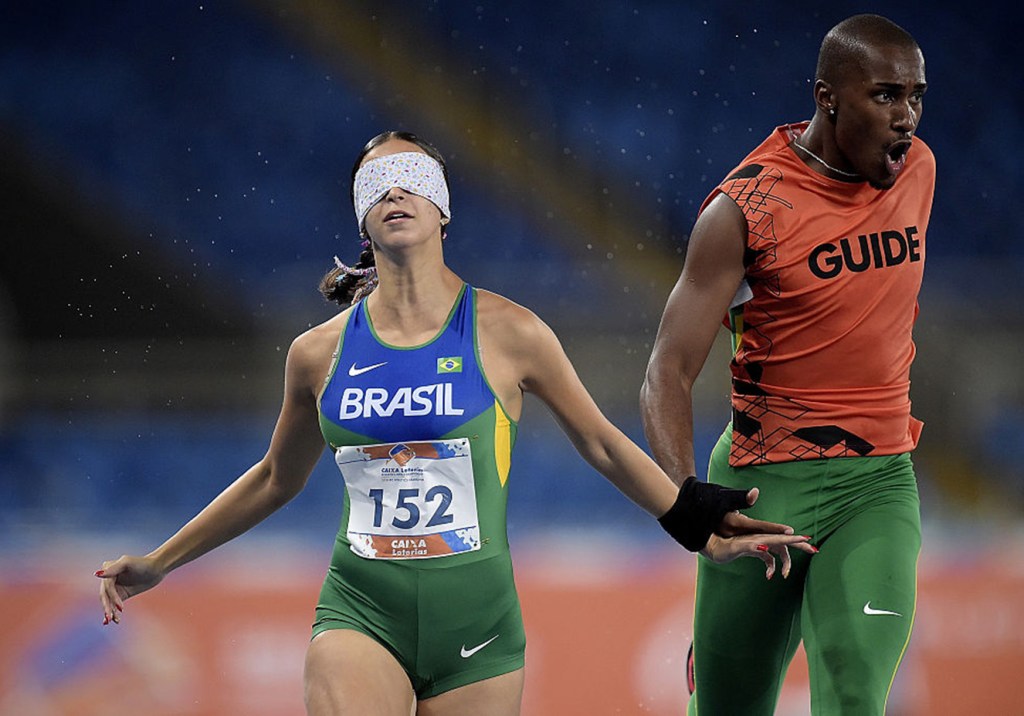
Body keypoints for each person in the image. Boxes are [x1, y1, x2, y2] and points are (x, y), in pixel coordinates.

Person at [96, 130, 814, 716]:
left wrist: (694, 520)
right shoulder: (316, 355)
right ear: (360, 217)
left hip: (480, 634)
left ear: (444, 210)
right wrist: (158, 563)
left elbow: (599, 440)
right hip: (360, 613)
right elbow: (273, 479)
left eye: (412, 175)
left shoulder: (512, 333)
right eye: (375, 183)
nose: (394, 190)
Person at [640, 14, 932, 716]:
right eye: (886, 96)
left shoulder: (917, 171)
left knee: (857, 693)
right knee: (728, 707)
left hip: (878, 484)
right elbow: (667, 372)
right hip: (762, 489)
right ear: (829, 96)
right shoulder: (743, 211)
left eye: (917, 96)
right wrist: (690, 504)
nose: (907, 118)